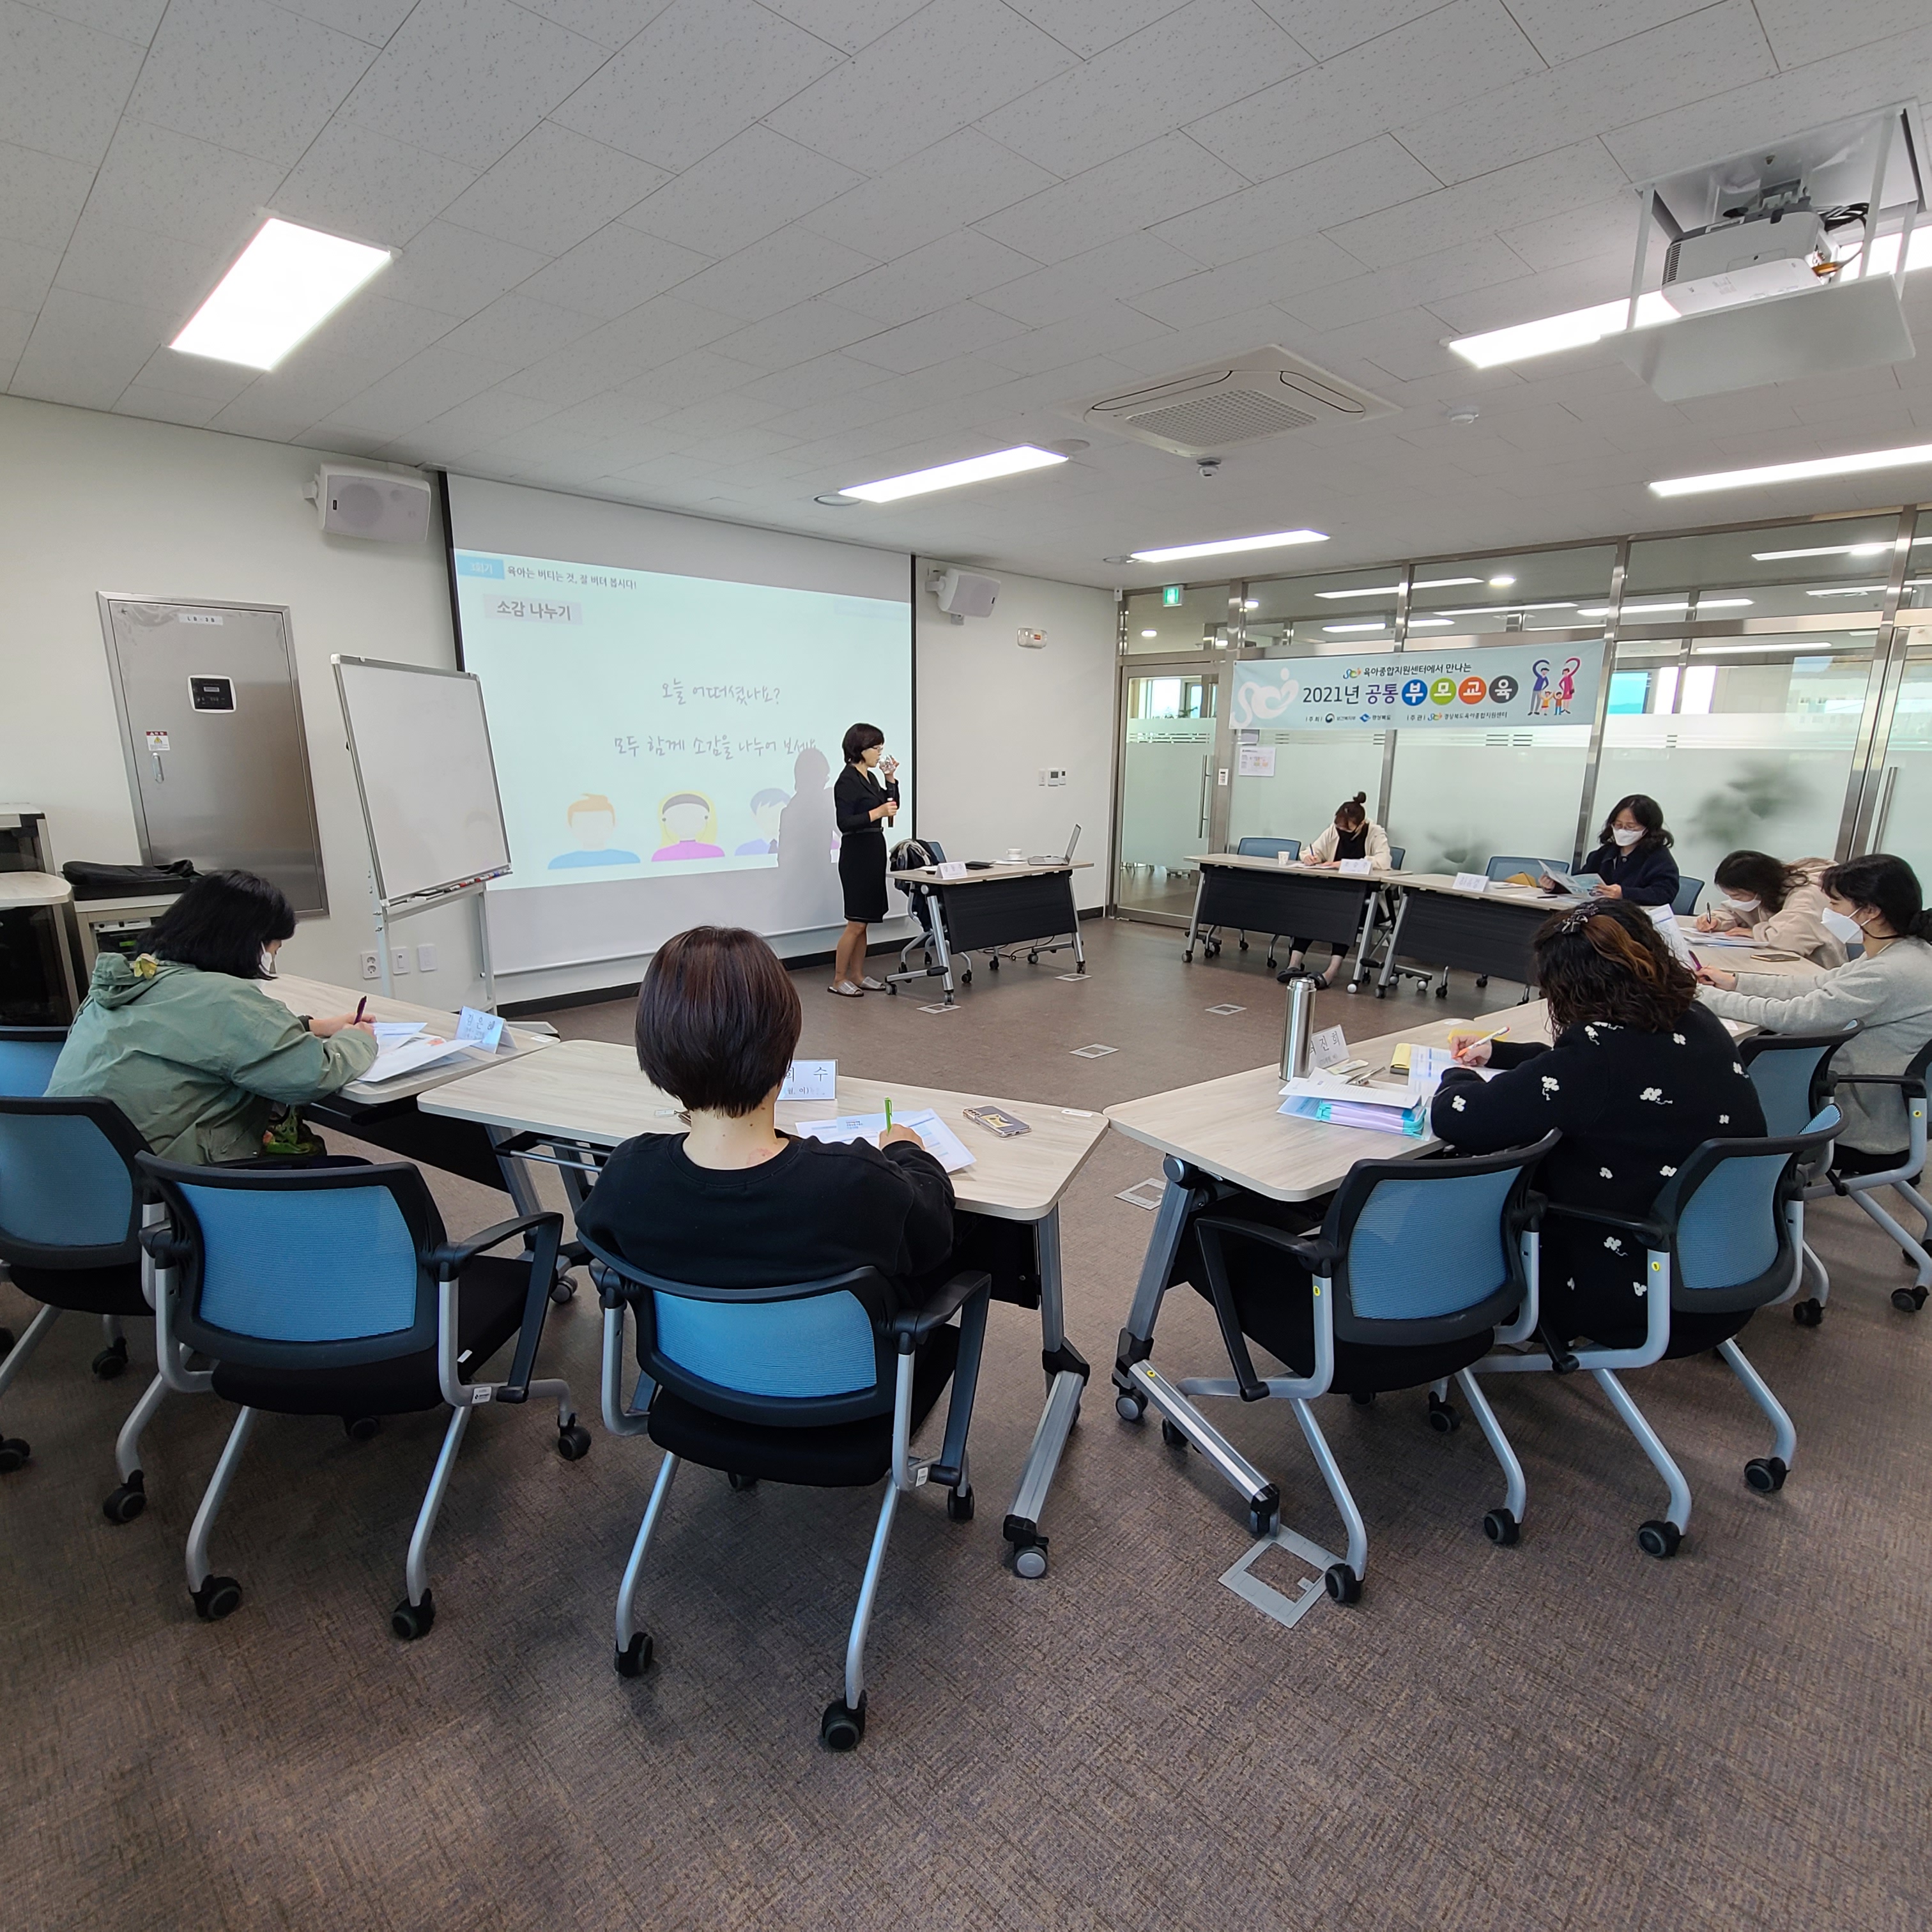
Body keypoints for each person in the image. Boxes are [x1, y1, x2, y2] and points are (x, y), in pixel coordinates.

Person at [1430, 897, 1763, 1349]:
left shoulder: (1597, 1056)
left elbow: (1461, 1118)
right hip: (1720, 1262)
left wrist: (1456, 1077)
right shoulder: (1694, 1018)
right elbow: (1584, 1072)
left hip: (1627, 1279)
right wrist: (1501, 1054)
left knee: (1462, 1197)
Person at [574, 926, 953, 1294]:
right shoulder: (855, 1181)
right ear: (784, 1044)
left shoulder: (628, 1174)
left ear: (654, 1047)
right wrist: (907, 1151)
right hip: (841, 1342)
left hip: (678, 1342)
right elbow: (934, 1237)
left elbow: (602, 1246)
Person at [45, 870, 376, 1164]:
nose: (270, 960)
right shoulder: (225, 998)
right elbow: (312, 1075)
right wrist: (358, 1040)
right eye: (273, 950)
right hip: (159, 1182)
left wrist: (310, 1026)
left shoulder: (133, 980)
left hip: (69, 1174)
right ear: (247, 943)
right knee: (349, 1173)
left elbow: (194, 1037)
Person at [1695, 854, 1932, 1170]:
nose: (1827, 913)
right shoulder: (1905, 951)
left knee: (1713, 1082)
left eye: (1834, 903)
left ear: (1870, 911)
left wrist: (1703, 996)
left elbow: (1797, 1016)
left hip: (1856, 1112)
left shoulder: (1887, 972)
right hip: (1863, 1092)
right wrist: (1735, 981)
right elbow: (1818, 984)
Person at [1279, 792, 1392, 987]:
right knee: (1310, 908)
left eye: (1347, 829)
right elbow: (1310, 850)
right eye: (1340, 828)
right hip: (1334, 893)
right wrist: (1309, 858)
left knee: (1344, 914)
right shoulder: (1334, 830)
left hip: (1365, 900)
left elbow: (1384, 862)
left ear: (1360, 825)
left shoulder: (1375, 833)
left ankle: (1331, 971)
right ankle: (1294, 965)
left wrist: (1343, 863)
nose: (1342, 832)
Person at [829, 723, 899, 997]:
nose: (880, 753)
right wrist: (877, 812)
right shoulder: (847, 780)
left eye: (881, 748)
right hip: (856, 853)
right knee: (855, 922)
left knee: (865, 920)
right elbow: (845, 822)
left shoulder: (870, 778)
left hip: (873, 849)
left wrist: (890, 780)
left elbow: (891, 807)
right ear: (860, 749)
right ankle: (839, 979)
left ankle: (857, 975)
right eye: (876, 748)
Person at [1694, 850, 1845, 967]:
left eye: (1737, 896)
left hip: (1815, 969)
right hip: (1780, 964)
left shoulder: (1807, 894)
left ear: (1759, 887)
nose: (1734, 901)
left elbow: (1790, 940)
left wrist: (1755, 933)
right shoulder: (1767, 892)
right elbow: (1733, 912)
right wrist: (1717, 920)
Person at [1562, 793, 1680, 907]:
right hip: (1600, 911)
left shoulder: (1659, 858)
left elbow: (1664, 893)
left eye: (1630, 826)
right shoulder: (1605, 853)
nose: (1623, 830)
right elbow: (1580, 880)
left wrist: (1624, 893)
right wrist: (1558, 886)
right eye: (1618, 825)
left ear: (1648, 828)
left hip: (1635, 916)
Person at [549, 793, 640, 868]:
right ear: (569, 827)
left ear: (615, 824)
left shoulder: (630, 859)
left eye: (601, 822)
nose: (593, 829)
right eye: (584, 823)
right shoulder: (558, 864)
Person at [650, 791, 725, 862]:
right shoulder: (660, 856)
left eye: (693, 816)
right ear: (664, 820)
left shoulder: (716, 852)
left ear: (706, 818)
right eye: (678, 817)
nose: (686, 821)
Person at [735, 786, 789, 856]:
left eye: (779, 814)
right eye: (766, 815)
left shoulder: (798, 846)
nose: (773, 820)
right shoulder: (744, 851)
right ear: (754, 817)